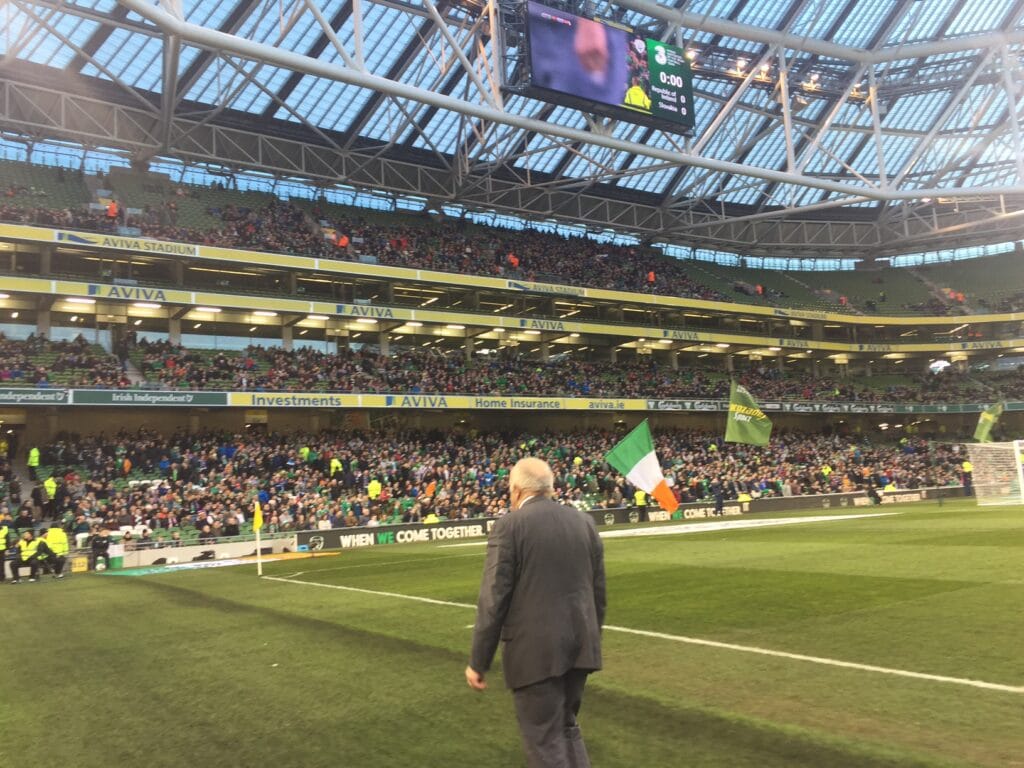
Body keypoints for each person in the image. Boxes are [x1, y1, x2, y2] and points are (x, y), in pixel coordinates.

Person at [467, 457, 606, 768]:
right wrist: (591, 641)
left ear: (516, 490)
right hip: (580, 648)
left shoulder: (509, 526)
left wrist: (478, 661)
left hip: (535, 654)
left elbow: (494, 598)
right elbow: (598, 595)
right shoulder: (583, 522)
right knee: (567, 730)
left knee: (544, 742)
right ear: (551, 488)